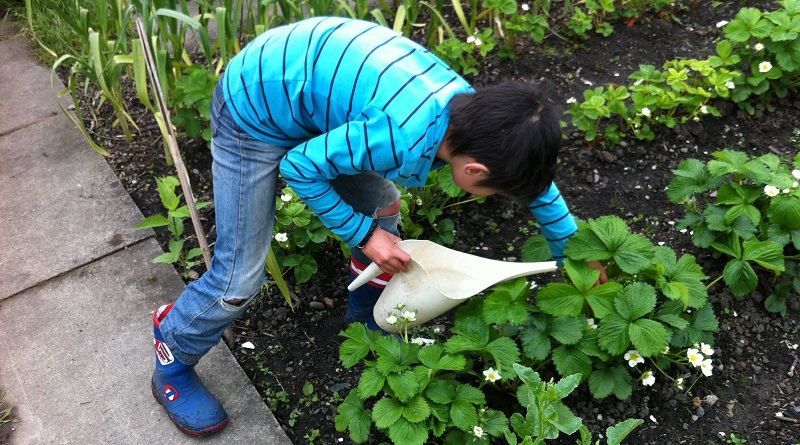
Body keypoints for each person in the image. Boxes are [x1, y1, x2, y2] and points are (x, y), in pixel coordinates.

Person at [150, 16, 594, 436]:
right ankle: (173, 348)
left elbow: (529, 180)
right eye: (497, 191)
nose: (501, 195)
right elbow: (300, 166)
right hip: (256, 107)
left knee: (384, 213)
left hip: (318, 99)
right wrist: (363, 234)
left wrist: (572, 251)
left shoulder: (482, 119)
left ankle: (367, 320)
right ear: (475, 172)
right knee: (238, 276)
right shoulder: (399, 135)